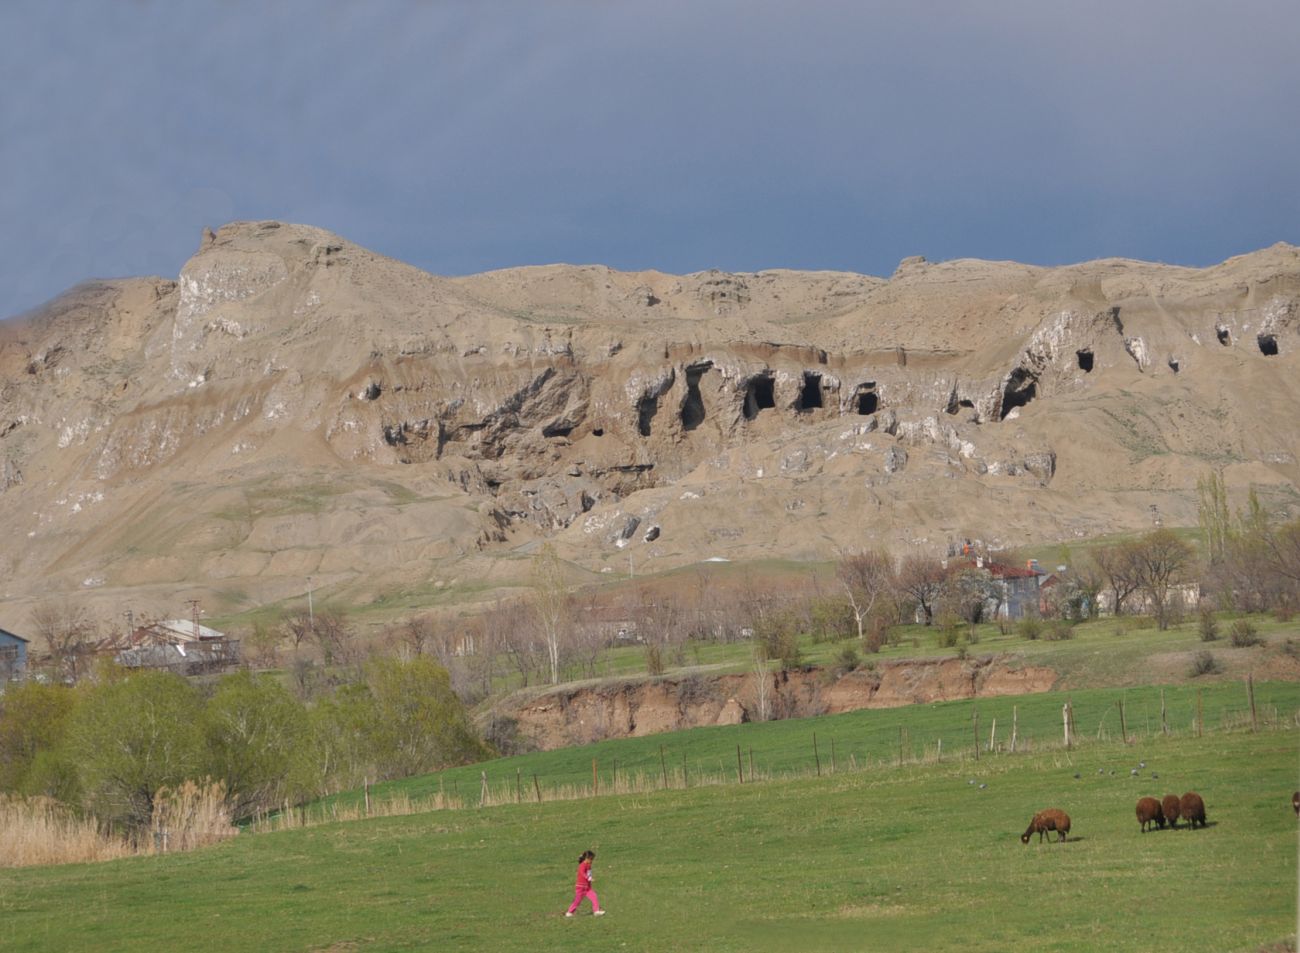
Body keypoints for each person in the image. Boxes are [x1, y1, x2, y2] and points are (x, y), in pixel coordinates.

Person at [564, 849, 605, 917]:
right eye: (591, 859)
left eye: (592, 859)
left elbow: (589, 874)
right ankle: (569, 912)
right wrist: (588, 878)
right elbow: (582, 873)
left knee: (594, 896)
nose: (592, 861)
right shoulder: (582, 865)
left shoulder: (589, 866)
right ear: (587, 858)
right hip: (580, 887)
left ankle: (596, 911)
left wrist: (589, 882)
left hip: (587, 888)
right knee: (577, 901)